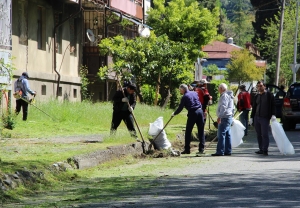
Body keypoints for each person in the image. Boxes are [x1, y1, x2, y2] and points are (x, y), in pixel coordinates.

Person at [172, 84, 205, 155]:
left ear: (183, 89)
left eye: (180, 90)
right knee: (201, 131)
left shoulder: (185, 96)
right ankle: (201, 149)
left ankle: (187, 149)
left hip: (193, 113)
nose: (180, 91)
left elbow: (180, 107)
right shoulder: (194, 93)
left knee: (188, 131)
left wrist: (174, 113)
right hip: (200, 111)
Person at [250, 81, 276, 156]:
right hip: (257, 117)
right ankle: (261, 149)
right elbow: (254, 107)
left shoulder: (269, 95)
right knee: (258, 134)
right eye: (258, 86)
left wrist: (273, 115)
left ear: (264, 86)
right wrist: (251, 117)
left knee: (264, 134)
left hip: (265, 117)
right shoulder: (256, 96)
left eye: (261, 86)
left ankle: (265, 149)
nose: (259, 87)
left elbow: (273, 105)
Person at [212, 83, 234, 156]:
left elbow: (223, 107)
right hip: (228, 117)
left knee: (221, 134)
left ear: (222, 89)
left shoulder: (224, 96)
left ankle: (220, 151)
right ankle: (228, 150)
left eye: (219, 88)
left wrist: (220, 116)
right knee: (227, 134)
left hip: (224, 117)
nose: (218, 89)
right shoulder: (229, 96)